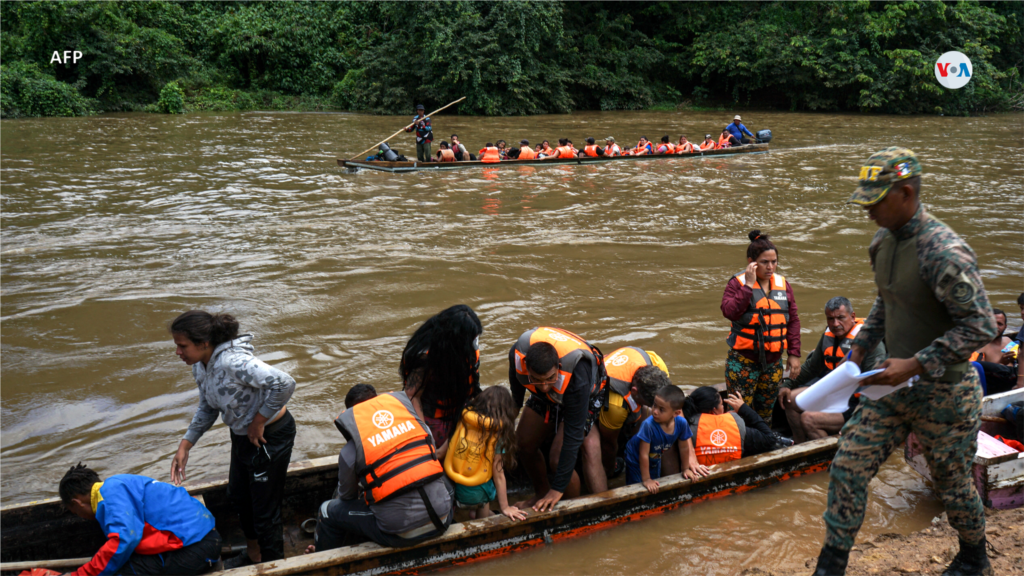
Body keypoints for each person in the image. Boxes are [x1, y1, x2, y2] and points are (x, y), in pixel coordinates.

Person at [812, 147, 998, 576]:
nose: (868, 210)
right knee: (848, 464)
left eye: (876, 200)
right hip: (891, 385)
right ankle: (830, 566)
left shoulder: (943, 250)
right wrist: (860, 348)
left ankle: (974, 557)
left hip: (945, 392)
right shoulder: (883, 243)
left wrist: (916, 363)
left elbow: (981, 325)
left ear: (906, 193)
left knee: (952, 484)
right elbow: (886, 300)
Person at [169, 311, 296, 568]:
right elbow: (208, 407)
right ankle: (254, 555)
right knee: (238, 495)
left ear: (204, 343)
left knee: (264, 512)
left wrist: (259, 420)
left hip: (268, 436)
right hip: (242, 434)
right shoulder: (200, 366)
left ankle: (274, 566)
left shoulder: (233, 362)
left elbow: (284, 383)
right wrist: (186, 445)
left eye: (182, 346)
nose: (178, 352)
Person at [313, 387, 453, 550]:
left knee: (326, 511)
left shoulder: (349, 452)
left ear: (351, 415)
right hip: (443, 518)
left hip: (399, 534)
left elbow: (346, 496)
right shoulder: (419, 426)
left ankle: (323, 559)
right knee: (441, 479)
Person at [59, 464, 220, 576]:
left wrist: (81, 574)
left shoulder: (110, 494)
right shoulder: (117, 484)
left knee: (120, 572)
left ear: (77, 503)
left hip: (198, 550)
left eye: (76, 512)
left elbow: (124, 539)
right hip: (205, 537)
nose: (81, 516)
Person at [509, 326, 606, 512]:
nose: (544, 386)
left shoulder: (578, 376)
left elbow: (573, 434)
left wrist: (558, 489)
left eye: (550, 378)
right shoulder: (516, 355)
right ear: (525, 366)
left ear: (559, 368)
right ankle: (540, 492)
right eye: (537, 379)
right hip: (545, 396)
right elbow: (516, 400)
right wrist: (501, 432)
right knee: (522, 443)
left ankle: (571, 506)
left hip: (585, 394)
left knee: (557, 458)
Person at [721, 230, 801, 427]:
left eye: (774, 262)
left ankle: (763, 449)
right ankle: (741, 451)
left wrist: (794, 353)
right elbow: (729, 311)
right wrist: (748, 287)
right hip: (743, 362)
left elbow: (793, 321)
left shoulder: (783, 285)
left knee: (766, 413)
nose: (770, 267)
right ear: (751, 261)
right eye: (765, 262)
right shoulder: (736, 284)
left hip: (773, 364)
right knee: (738, 414)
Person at [780, 297, 888, 443]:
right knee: (789, 399)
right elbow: (811, 367)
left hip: (855, 404)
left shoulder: (871, 343)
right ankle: (798, 445)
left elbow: (877, 385)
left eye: (840, 318)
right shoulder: (828, 336)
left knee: (808, 419)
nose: (835, 324)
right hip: (833, 393)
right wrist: (787, 385)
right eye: (830, 319)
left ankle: (830, 455)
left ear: (853, 317)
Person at [401, 304, 483, 460]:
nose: (474, 343)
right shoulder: (423, 356)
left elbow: (473, 386)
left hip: (461, 407)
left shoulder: (468, 347)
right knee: (436, 450)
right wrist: (425, 434)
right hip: (433, 416)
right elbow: (412, 396)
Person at [443, 386, 527, 521]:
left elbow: (447, 449)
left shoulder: (464, 422)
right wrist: (505, 507)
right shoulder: (497, 435)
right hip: (477, 495)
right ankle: (481, 518)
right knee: (483, 497)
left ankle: (471, 511)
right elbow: (498, 475)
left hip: (454, 486)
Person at [598, 347, 670, 477]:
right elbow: (608, 443)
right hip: (598, 399)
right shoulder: (616, 406)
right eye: (650, 404)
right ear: (635, 391)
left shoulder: (657, 363)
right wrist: (609, 469)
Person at [625, 385, 707, 492]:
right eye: (654, 405)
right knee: (637, 484)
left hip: (655, 455)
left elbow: (684, 448)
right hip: (635, 455)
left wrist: (685, 469)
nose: (655, 411)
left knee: (656, 479)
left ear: (676, 413)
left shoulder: (681, 424)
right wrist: (646, 479)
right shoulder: (648, 425)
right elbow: (643, 454)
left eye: (661, 409)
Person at [683, 387, 791, 466]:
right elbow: (769, 438)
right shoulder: (734, 424)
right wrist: (744, 409)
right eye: (721, 404)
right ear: (714, 411)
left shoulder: (685, 425)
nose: (723, 407)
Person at [972, 308, 1018, 395]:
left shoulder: (1008, 340)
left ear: (1005, 327)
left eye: (1000, 324)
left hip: (1015, 382)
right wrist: (1002, 363)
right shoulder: (980, 348)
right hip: (997, 389)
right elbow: (981, 376)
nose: (996, 326)